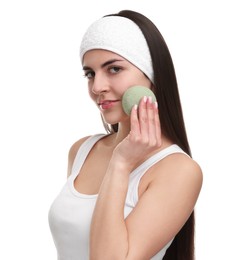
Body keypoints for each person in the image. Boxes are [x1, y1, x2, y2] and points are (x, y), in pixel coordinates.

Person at [48, 10, 203, 260]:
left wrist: (121, 163)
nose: (97, 87)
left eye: (114, 69)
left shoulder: (179, 170)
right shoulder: (82, 150)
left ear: (152, 76)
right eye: (90, 73)